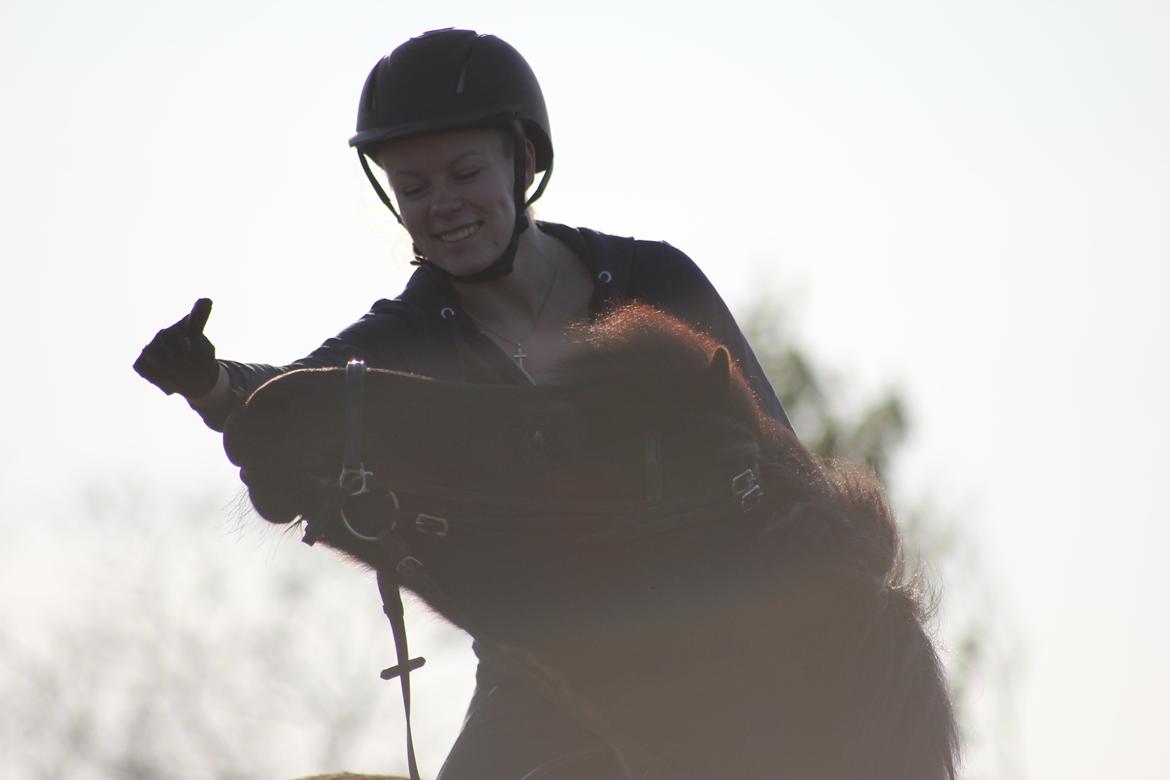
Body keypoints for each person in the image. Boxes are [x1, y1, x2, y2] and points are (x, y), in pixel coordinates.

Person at [134, 28, 793, 779]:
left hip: (727, 653)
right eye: (413, 189)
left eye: (464, 172)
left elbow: (782, 458)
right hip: (541, 682)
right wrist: (210, 383)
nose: (441, 205)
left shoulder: (657, 278)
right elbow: (291, 405)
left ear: (526, 161)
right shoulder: (403, 338)